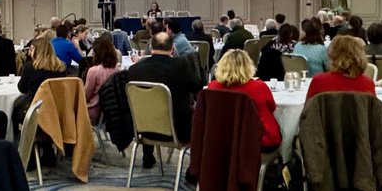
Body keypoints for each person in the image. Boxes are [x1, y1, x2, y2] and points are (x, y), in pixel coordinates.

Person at [124, 32, 203, 168]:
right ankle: (194, 168)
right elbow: (197, 87)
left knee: (149, 108)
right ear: (172, 48)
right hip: (178, 130)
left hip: (142, 129)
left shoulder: (133, 70)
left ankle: (147, 155)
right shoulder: (180, 66)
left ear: (150, 47)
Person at [206, 49, 281, 150]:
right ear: (248, 67)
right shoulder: (259, 87)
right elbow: (271, 108)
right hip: (259, 141)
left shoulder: (213, 87)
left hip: (225, 141)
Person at [13, 37, 70, 135]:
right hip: (57, 111)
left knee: (14, 110)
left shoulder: (30, 67)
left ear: (35, 50)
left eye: (31, 49)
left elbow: (22, 88)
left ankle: (22, 142)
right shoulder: (61, 67)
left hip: (36, 111)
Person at [307, 35, 377, 99]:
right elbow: (372, 111)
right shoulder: (367, 84)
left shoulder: (319, 81)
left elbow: (309, 110)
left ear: (332, 55)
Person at [84, 34, 121, 125]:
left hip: (94, 110)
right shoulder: (116, 68)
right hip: (110, 111)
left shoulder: (94, 71)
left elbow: (86, 95)